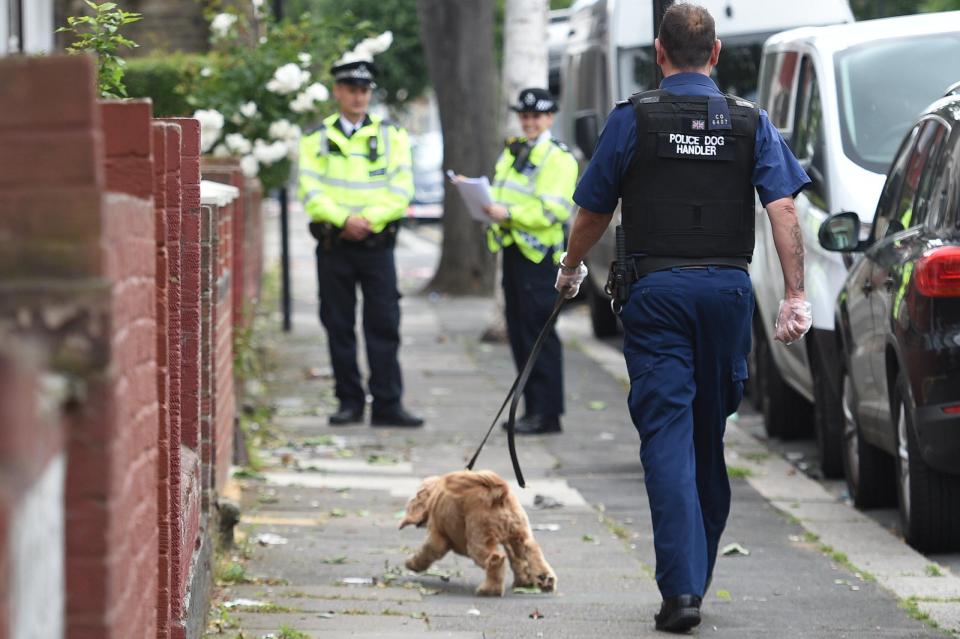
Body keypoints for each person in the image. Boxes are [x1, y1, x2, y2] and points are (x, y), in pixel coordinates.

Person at [554, 4, 812, 633]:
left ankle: (683, 589)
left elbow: (593, 207)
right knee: (707, 437)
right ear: (716, 53)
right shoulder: (751, 122)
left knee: (667, 438)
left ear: (658, 53)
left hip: (657, 295)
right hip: (726, 295)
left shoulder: (633, 119)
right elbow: (782, 208)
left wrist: (570, 268)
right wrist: (795, 295)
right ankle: (692, 580)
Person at [297, 54, 423, 428]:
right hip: (335, 245)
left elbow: (402, 189)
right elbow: (310, 189)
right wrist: (343, 220)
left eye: (364, 90)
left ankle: (387, 404)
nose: (358, 96)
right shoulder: (316, 137)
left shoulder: (391, 135)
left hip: (376, 246)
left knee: (383, 324)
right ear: (337, 91)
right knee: (339, 325)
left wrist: (369, 220)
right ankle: (349, 402)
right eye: (351, 89)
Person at [483, 87, 578, 435]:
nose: (529, 122)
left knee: (539, 335)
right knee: (521, 333)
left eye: (536, 116)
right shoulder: (514, 150)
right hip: (514, 250)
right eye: (524, 116)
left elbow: (554, 210)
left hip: (539, 257)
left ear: (549, 117)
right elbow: (501, 190)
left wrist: (507, 212)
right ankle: (532, 408)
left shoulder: (558, 158)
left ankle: (547, 413)